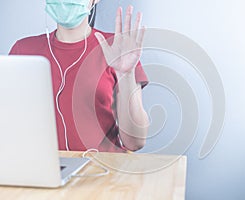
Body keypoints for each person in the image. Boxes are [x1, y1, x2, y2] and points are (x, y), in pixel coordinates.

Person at [9, 0, 149, 152]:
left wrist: (126, 74)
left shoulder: (117, 49)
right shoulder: (23, 50)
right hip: (41, 170)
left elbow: (135, 142)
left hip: (103, 170)